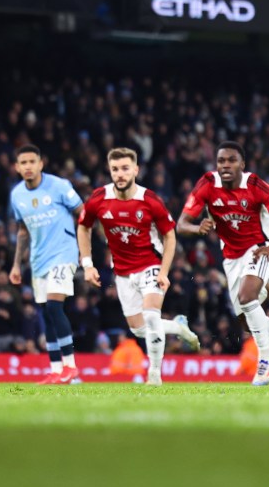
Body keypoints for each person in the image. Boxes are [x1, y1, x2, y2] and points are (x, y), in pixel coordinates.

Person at [177, 141, 269, 385]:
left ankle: (266, 362)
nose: (225, 165)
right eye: (221, 160)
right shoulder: (207, 184)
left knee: (247, 297)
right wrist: (196, 227)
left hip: (260, 250)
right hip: (231, 257)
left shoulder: (256, 185)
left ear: (242, 165)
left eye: (231, 160)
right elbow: (181, 223)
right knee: (247, 320)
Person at [78, 147, 199, 386]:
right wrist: (87, 264)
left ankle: (154, 374)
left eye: (125, 168)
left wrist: (164, 272)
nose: (120, 174)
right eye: (115, 169)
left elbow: (170, 236)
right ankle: (178, 327)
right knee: (139, 329)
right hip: (123, 273)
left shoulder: (150, 200)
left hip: (150, 265)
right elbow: (84, 227)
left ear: (136, 170)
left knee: (152, 319)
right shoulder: (99, 198)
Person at [9, 144, 84, 385]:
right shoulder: (17, 195)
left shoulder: (59, 186)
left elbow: (84, 214)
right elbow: (22, 231)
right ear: (17, 168)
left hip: (64, 253)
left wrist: (87, 253)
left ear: (41, 164)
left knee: (54, 306)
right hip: (38, 259)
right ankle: (55, 370)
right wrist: (16, 265)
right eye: (24, 163)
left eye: (32, 161)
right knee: (47, 314)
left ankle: (70, 366)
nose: (28, 166)